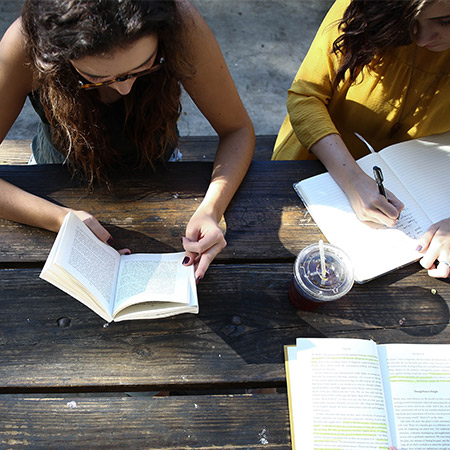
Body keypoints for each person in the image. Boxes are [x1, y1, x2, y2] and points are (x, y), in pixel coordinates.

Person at [0, 0, 255, 282]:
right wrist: (61, 219)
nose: (124, 88)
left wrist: (211, 209)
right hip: (53, 180)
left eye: (144, 66)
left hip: (160, 170)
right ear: (55, 53)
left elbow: (237, 130)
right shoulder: (26, 42)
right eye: (96, 77)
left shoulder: (180, 22)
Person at [273, 0, 450, 278]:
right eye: (411, 22)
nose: (422, 37)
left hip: (424, 188)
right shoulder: (362, 8)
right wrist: (353, 179)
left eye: (446, 22)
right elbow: (306, 97)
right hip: (315, 162)